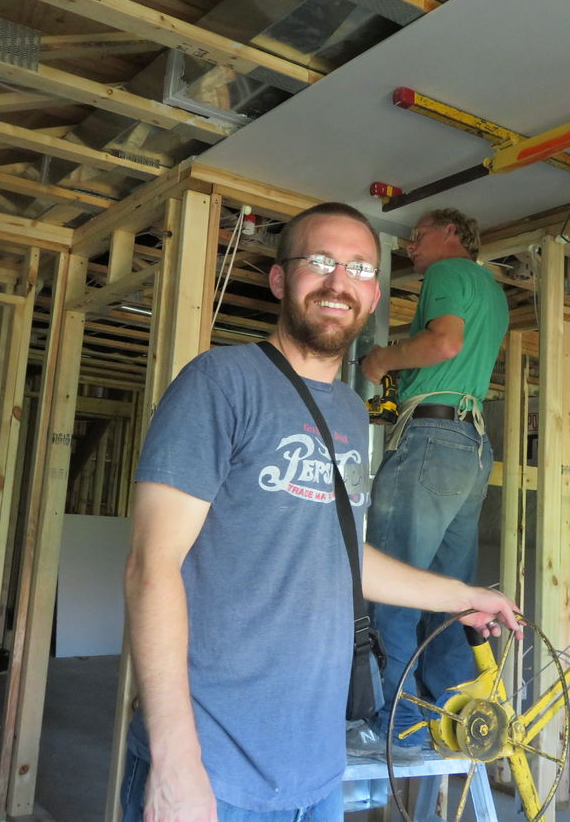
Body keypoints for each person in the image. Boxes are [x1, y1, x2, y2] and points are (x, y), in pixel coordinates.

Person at [121, 202, 521, 822]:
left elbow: (345, 555)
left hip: (317, 772)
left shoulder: (350, 414)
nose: (340, 281)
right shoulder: (220, 382)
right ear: (280, 279)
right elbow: (151, 568)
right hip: (215, 770)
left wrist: (459, 596)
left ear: (374, 294)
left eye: (359, 268)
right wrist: (175, 762)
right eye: (320, 261)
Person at [357, 208, 510, 749]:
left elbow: (443, 343)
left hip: (432, 438)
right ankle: (450, 713)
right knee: (452, 592)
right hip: (472, 444)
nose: (410, 246)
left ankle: (397, 719)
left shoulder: (448, 272)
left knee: (393, 580)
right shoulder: (492, 292)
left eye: (417, 236)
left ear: (451, 233)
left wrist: (382, 362)